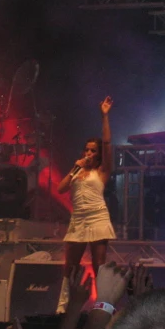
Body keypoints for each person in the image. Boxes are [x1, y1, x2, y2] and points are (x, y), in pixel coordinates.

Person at [56, 97, 116, 313]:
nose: (89, 153)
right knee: (69, 265)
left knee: (99, 265)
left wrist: (105, 116)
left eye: (93, 151)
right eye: (86, 150)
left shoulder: (102, 171)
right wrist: (74, 168)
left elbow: (108, 144)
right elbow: (61, 188)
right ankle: (63, 305)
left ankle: (101, 306)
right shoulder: (77, 170)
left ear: (98, 154)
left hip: (97, 217)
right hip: (78, 219)